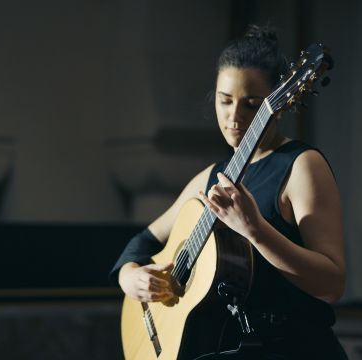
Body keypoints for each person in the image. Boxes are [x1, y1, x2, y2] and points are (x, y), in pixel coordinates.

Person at [110, 25, 347, 359]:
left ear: (278, 103)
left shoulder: (301, 166)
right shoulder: (210, 177)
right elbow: (141, 243)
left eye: (250, 104)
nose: (234, 117)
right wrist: (129, 276)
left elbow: (332, 284)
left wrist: (255, 229)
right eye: (225, 101)